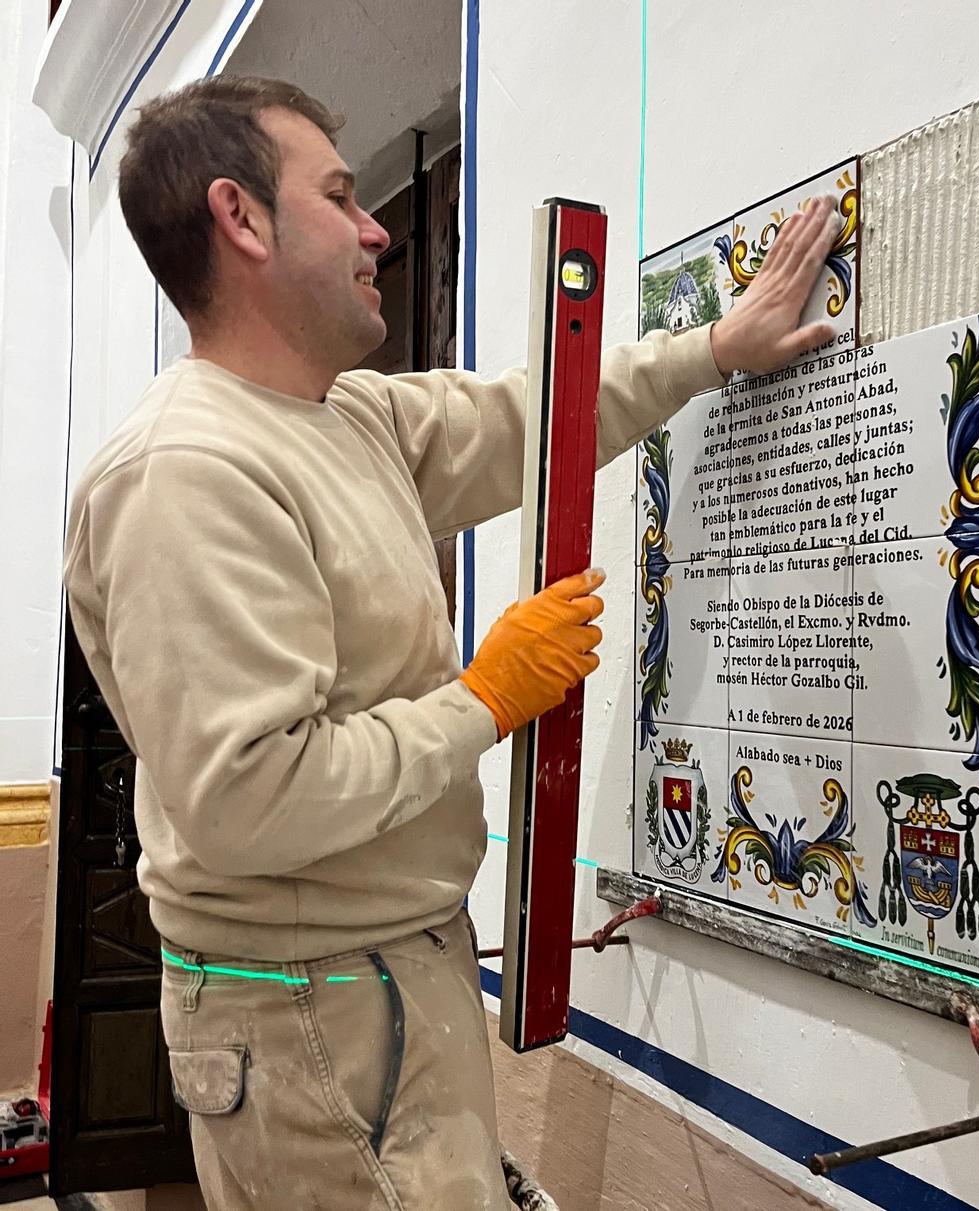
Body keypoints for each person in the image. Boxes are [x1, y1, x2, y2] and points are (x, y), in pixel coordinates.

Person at [62, 75, 842, 1210]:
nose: (377, 223)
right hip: (307, 1013)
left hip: (380, 980)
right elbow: (248, 798)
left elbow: (534, 419)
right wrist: (484, 697)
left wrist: (712, 350)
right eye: (338, 194)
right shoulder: (187, 473)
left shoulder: (349, 416)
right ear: (240, 218)